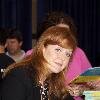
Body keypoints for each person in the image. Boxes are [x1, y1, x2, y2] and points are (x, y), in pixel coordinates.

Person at [1, 26, 77, 100]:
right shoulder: (18, 76)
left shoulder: (55, 83)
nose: (63, 58)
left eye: (68, 54)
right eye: (58, 50)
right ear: (43, 48)